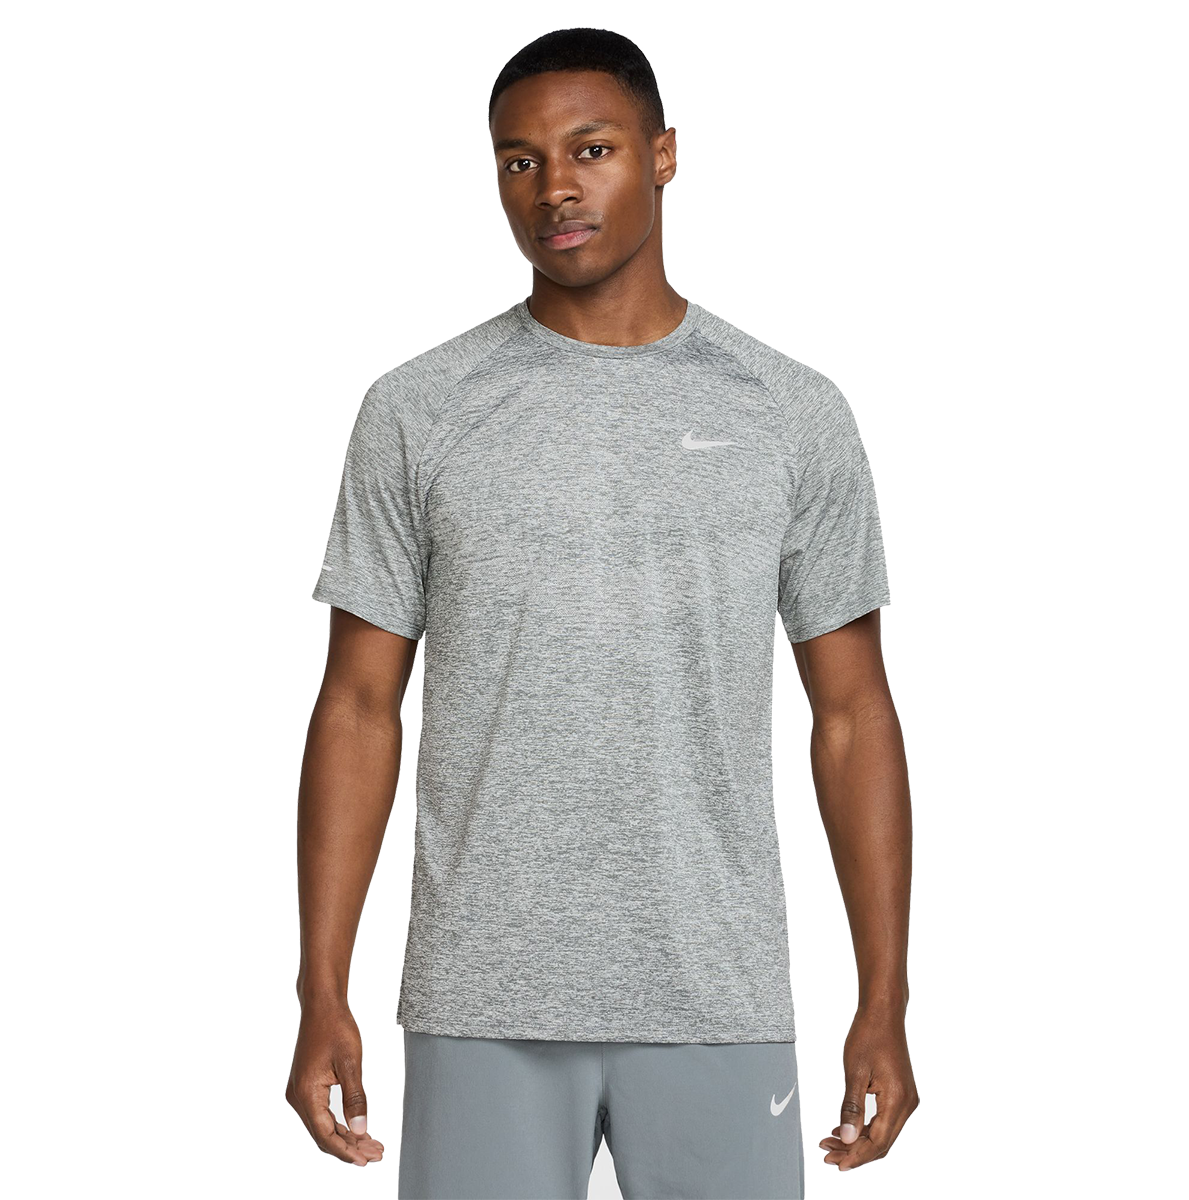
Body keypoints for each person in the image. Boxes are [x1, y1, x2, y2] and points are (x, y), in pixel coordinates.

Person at [285, 26, 917, 1199]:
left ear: (663, 155)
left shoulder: (790, 412)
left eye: (591, 149)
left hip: (717, 992)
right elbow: (360, 706)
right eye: (519, 161)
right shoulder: (419, 410)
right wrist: (321, 987)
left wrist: (884, 999)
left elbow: (852, 716)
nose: (555, 188)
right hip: (482, 991)